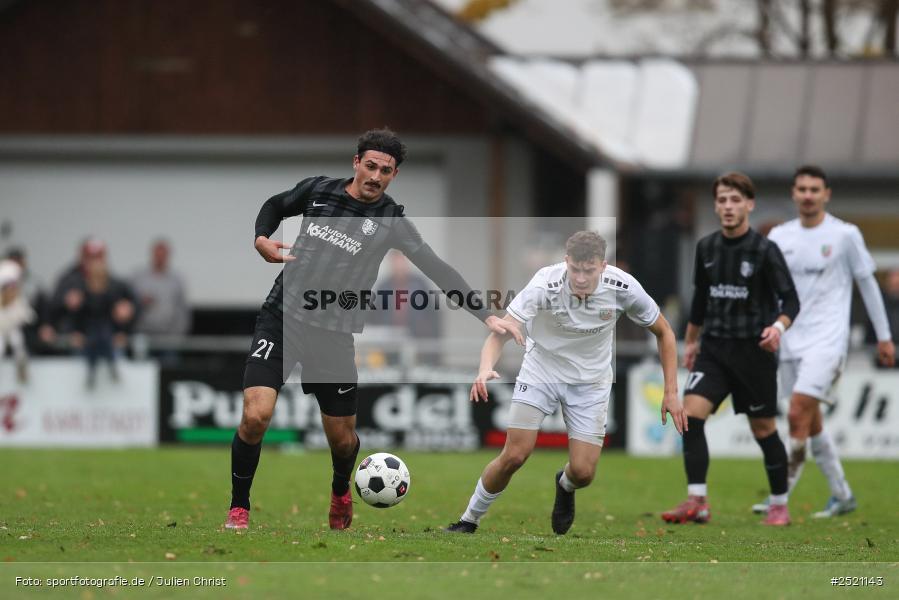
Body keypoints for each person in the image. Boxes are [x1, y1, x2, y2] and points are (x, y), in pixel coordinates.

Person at [226, 128, 523, 531]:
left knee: (342, 439)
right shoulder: (318, 190)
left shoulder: (392, 221)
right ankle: (239, 507)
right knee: (255, 416)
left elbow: (436, 268)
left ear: (394, 175)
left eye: (386, 171)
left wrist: (486, 316)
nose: (376, 176)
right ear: (356, 163)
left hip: (333, 335)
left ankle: (340, 491)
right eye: (370, 166)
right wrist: (261, 238)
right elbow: (276, 204)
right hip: (281, 319)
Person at [445, 231, 686, 535]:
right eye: (575, 269)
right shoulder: (544, 283)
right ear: (566, 261)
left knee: (583, 473)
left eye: (589, 270)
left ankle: (565, 484)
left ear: (603, 266)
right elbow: (502, 331)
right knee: (515, 454)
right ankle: (468, 520)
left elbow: (665, 333)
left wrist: (671, 392)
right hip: (541, 370)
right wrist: (484, 369)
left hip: (591, 382)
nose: (581, 278)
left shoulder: (624, 287)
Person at [751, 165, 895, 518]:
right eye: (802, 189)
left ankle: (779, 495)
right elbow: (768, 287)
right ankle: (842, 494)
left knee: (797, 411)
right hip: (789, 339)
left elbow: (868, 284)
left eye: (815, 189)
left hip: (828, 340)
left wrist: (884, 336)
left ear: (826, 194)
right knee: (811, 420)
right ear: (794, 194)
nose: (808, 195)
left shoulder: (845, 235)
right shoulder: (781, 236)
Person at [661, 172, 799, 527]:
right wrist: (691, 340)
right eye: (722, 200)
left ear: (749, 204)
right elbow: (700, 301)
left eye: (735, 200)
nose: (728, 206)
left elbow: (791, 301)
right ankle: (697, 501)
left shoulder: (765, 250)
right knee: (690, 418)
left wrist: (778, 327)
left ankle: (779, 504)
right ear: (715, 206)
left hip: (754, 352)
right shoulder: (706, 247)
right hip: (714, 350)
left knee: (764, 430)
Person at [131, 239, 191, 347]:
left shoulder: (176, 280)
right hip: (142, 333)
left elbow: (182, 309)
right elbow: (129, 304)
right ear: (152, 255)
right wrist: (140, 302)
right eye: (157, 255)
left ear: (168, 256)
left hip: (168, 336)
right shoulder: (138, 278)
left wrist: (178, 335)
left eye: (163, 255)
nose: (160, 258)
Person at [0, 259, 34, 384]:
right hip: (1, 332)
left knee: (17, 340)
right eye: (8, 286)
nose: (11, 290)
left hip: (13, 330)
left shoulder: (19, 301)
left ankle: (22, 367)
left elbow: (29, 317)